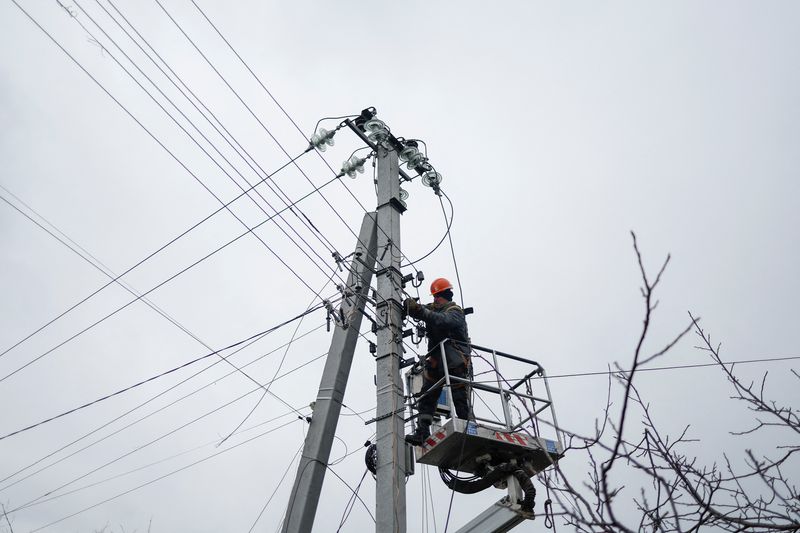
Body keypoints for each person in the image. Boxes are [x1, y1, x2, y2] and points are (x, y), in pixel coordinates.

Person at [403, 277, 472, 446]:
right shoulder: (435, 308)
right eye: (434, 297)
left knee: (459, 397)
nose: (435, 300)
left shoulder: (455, 312)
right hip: (436, 360)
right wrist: (409, 306)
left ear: (446, 296)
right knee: (427, 397)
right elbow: (423, 311)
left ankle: (469, 427)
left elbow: (442, 321)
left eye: (438, 296)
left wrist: (421, 311)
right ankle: (422, 432)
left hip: (455, 360)